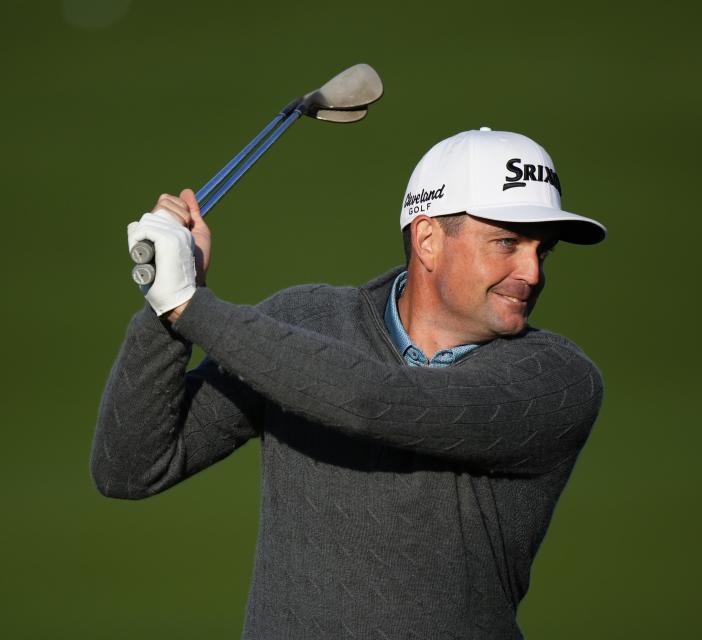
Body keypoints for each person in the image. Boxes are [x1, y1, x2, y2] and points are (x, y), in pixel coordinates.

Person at [92, 127, 607, 639]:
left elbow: (376, 402)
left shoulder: (556, 382)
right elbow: (130, 469)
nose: (532, 272)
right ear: (428, 240)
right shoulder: (305, 320)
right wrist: (166, 304)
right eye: (507, 243)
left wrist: (188, 305)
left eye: (544, 251)